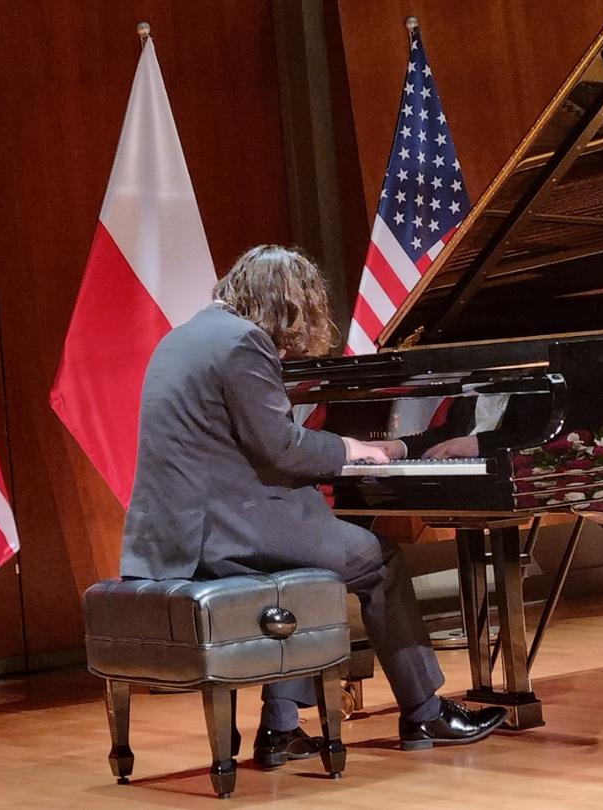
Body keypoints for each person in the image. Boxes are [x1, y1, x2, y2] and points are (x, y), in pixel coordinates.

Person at [119, 245, 508, 767]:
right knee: (380, 562)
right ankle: (424, 710)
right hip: (228, 530)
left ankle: (281, 729)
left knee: (309, 566)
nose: (295, 335)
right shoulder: (242, 342)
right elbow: (281, 447)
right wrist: (354, 448)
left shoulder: (181, 338)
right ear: (282, 303)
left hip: (174, 533)